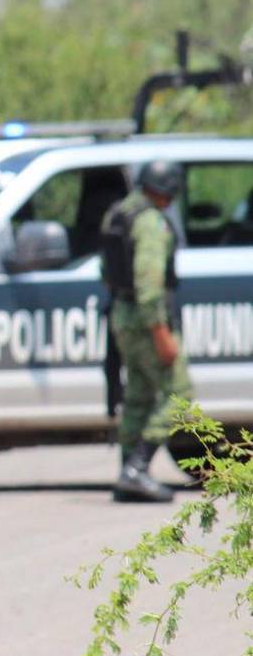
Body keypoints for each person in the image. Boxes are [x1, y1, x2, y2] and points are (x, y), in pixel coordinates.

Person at [99, 160, 193, 503]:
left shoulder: (119, 214)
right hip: (145, 320)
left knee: (138, 395)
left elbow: (106, 271)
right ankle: (137, 468)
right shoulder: (151, 222)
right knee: (178, 394)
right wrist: (160, 331)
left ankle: (128, 473)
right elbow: (150, 283)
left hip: (122, 315)